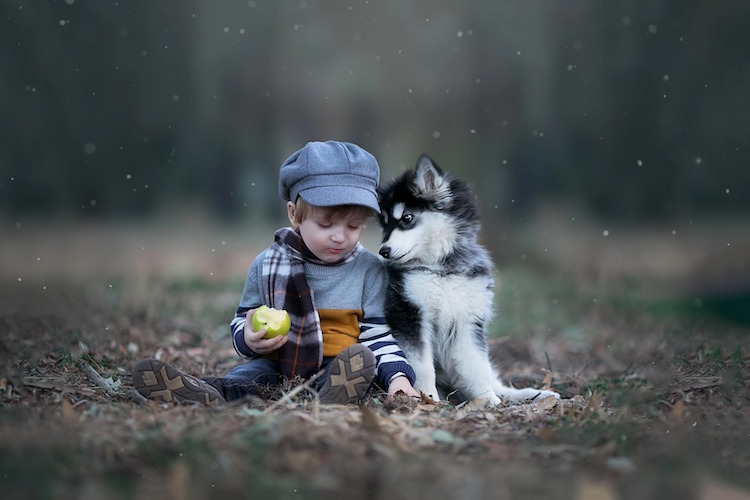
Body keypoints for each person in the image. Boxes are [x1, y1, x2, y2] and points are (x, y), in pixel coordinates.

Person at [133, 140, 419, 405]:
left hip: (338, 364)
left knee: (360, 364)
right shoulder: (268, 264)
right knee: (249, 376)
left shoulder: (369, 270)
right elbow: (242, 319)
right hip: (279, 362)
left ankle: (333, 396)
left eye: (353, 226)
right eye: (326, 225)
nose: (340, 237)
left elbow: (378, 335)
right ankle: (209, 392)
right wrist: (248, 337)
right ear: (294, 214)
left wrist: (397, 376)